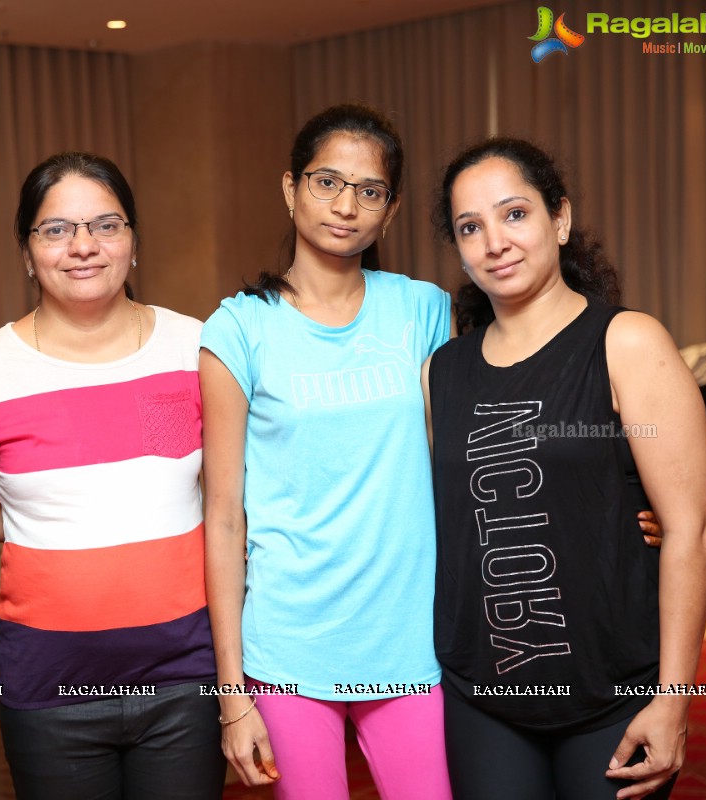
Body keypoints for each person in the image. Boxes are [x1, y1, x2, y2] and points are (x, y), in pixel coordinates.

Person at [424, 137, 706, 799]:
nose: (495, 241)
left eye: (515, 214)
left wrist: (674, 701)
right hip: (482, 698)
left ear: (560, 219)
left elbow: (692, 529)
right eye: (471, 227)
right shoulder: (441, 372)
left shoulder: (627, 342)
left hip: (610, 693)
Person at [0, 151, 227, 799]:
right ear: (27, 251)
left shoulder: (197, 347)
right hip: (50, 691)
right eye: (55, 229)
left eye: (106, 225)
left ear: (133, 242)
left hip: (185, 677)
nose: (83, 247)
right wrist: (33, 523)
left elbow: (239, 494)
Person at [199, 103, 455, 799]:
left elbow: (473, 452)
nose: (346, 206)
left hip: (406, 642)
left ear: (391, 210)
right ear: (290, 189)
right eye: (326, 182)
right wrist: (232, 694)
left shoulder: (423, 311)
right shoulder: (238, 328)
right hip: (289, 644)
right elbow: (223, 517)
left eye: (369, 191)